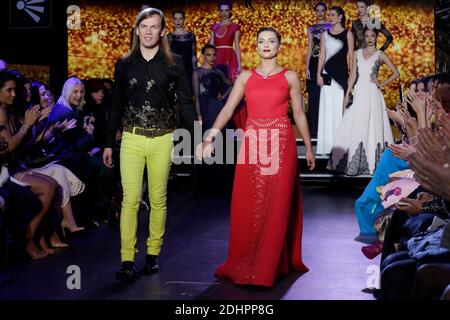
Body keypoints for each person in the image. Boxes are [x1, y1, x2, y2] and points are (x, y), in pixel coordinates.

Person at [197, 27, 315, 287]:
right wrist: (209, 137)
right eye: (262, 41)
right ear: (256, 46)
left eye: (271, 41)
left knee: (277, 204)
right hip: (253, 143)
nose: (266, 45)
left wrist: (307, 146)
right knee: (250, 203)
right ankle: (248, 259)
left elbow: (299, 115)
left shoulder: (291, 77)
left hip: (281, 144)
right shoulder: (245, 77)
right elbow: (228, 109)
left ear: (279, 45)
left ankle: (269, 266)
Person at [103, 7, 196, 282]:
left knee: (158, 200)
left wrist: (200, 138)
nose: (147, 31)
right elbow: (116, 104)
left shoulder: (175, 62)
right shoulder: (124, 63)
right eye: (143, 26)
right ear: (136, 29)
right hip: (131, 137)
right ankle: (127, 259)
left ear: (163, 30)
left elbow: (185, 102)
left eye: (153, 26)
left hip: (164, 138)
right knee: (130, 199)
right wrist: (108, 142)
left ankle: (153, 255)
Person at [328, 28, 398, 175]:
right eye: (367, 36)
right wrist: (347, 94)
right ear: (364, 38)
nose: (370, 38)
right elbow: (353, 75)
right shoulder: (356, 53)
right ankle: (354, 163)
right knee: (355, 124)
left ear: (376, 37)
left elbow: (396, 73)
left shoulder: (380, 54)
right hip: (359, 92)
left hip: (373, 93)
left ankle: (374, 165)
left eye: (372, 36)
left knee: (374, 126)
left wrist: (381, 83)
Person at [316, 6, 354, 155]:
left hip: (341, 76)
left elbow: (351, 56)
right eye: (329, 15)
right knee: (327, 109)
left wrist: (352, 74)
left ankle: (339, 145)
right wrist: (318, 74)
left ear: (340, 17)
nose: (329, 17)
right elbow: (322, 55)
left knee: (339, 110)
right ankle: (326, 146)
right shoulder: (324, 34)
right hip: (326, 75)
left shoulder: (348, 34)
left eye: (332, 15)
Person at [210, 1, 246, 130]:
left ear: (230, 11)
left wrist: (239, 65)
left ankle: (235, 126)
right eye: (222, 10)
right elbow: (211, 46)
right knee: (216, 88)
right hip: (217, 58)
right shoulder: (214, 27)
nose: (224, 13)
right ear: (219, 12)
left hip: (229, 58)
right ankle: (218, 125)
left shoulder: (235, 26)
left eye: (226, 10)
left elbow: (237, 47)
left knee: (231, 88)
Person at [305, 2, 331, 139]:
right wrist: (307, 67)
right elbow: (310, 48)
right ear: (315, 12)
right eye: (318, 11)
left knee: (326, 96)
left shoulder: (331, 26)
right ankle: (314, 130)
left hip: (328, 63)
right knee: (314, 98)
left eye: (322, 10)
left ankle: (326, 129)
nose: (320, 13)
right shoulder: (311, 28)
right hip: (315, 63)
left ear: (325, 11)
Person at [167, 10, 197, 88]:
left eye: (180, 18)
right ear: (173, 20)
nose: (178, 21)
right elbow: (167, 55)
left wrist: (195, 72)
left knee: (189, 92)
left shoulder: (191, 36)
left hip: (188, 69)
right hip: (175, 69)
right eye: (176, 19)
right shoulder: (169, 37)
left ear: (184, 19)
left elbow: (194, 56)